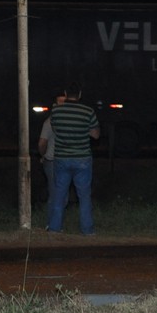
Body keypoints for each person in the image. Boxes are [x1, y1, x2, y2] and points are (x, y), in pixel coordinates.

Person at [46, 83, 100, 236]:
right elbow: (96, 135)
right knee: (84, 196)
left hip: (62, 158)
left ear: (65, 93)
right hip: (82, 158)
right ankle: (87, 230)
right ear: (80, 94)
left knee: (59, 194)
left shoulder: (56, 111)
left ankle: (54, 228)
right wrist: (83, 129)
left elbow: (55, 129)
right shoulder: (88, 111)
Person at [37, 93, 65, 212]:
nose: (63, 104)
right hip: (52, 161)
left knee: (62, 195)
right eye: (60, 102)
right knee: (54, 194)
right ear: (54, 105)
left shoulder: (68, 121)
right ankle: (51, 220)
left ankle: (57, 220)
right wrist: (43, 155)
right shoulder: (49, 122)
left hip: (65, 161)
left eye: (65, 102)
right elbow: (42, 143)